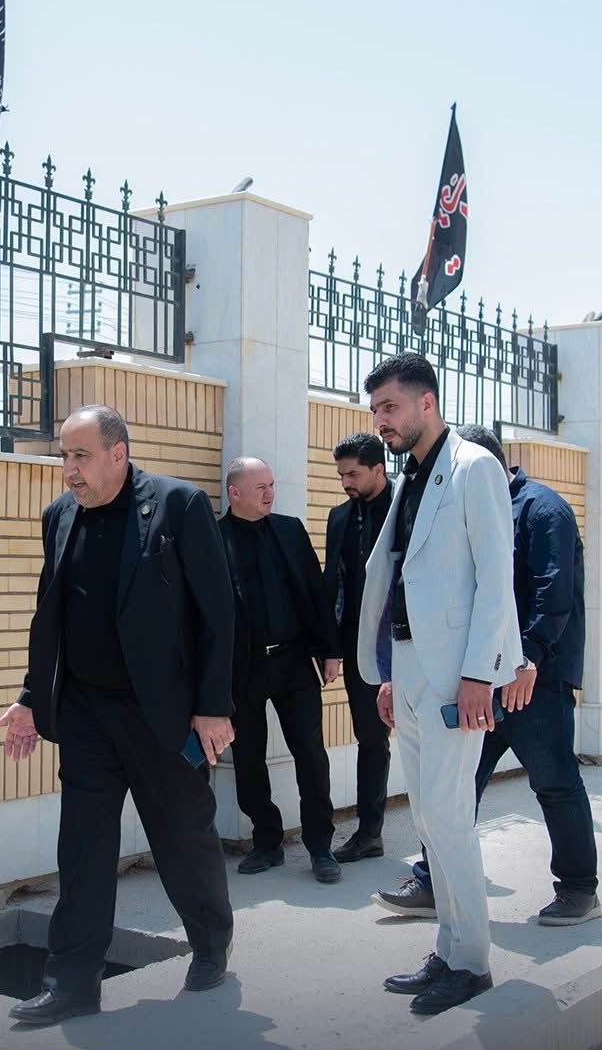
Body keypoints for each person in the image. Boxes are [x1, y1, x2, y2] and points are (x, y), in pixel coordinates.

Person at [0, 405, 237, 1025]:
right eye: (64, 456)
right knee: (83, 847)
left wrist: (212, 707)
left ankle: (211, 944)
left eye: (81, 456)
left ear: (117, 453)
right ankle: (72, 982)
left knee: (182, 837)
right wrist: (31, 697)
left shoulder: (178, 506)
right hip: (85, 714)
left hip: (162, 713)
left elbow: (218, 612)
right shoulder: (60, 516)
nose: (69, 470)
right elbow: (50, 616)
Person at [374, 424, 602, 927]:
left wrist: (527, 659)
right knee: (452, 790)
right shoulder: (462, 503)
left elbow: (552, 593)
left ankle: (579, 889)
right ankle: (436, 883)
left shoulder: (543, 510)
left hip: (532, 681)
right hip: (476, 679)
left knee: (555, 782)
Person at [353, 354, 523, 1015]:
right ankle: (450, 950)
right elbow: (404, 579)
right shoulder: (411, 476)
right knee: (428, 817)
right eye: (375, 410)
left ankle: (472, 962)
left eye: (390, 407)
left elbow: (496, 577)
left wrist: (481, 673)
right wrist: (390, 675)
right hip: (411, 668)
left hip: (457, 675)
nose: (381, 421)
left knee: (449, 816)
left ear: (427, 403)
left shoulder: (474, 468)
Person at [218, 457, 341, 884]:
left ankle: (320, 848)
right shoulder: (213, 538)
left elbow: (315, 592)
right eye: (261, 488)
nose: (270, 494)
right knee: (248, 758)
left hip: (294, 661)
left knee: (311, 755)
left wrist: (330, 650)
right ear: (235, 493)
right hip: (243, 669)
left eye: (271, 485)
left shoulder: (290, 530)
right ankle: (267, 842)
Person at [321, 432, 395, 862]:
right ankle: (370, 834)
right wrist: (331, 647)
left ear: (378, 469)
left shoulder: (407, 506)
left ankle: (439, 838)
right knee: (370, 738)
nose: (345, 482)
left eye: (353, 474)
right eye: (341, 475)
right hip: (356, 646)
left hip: (406, 643)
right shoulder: (339, 517)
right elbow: (333, 582)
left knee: (424, 739)